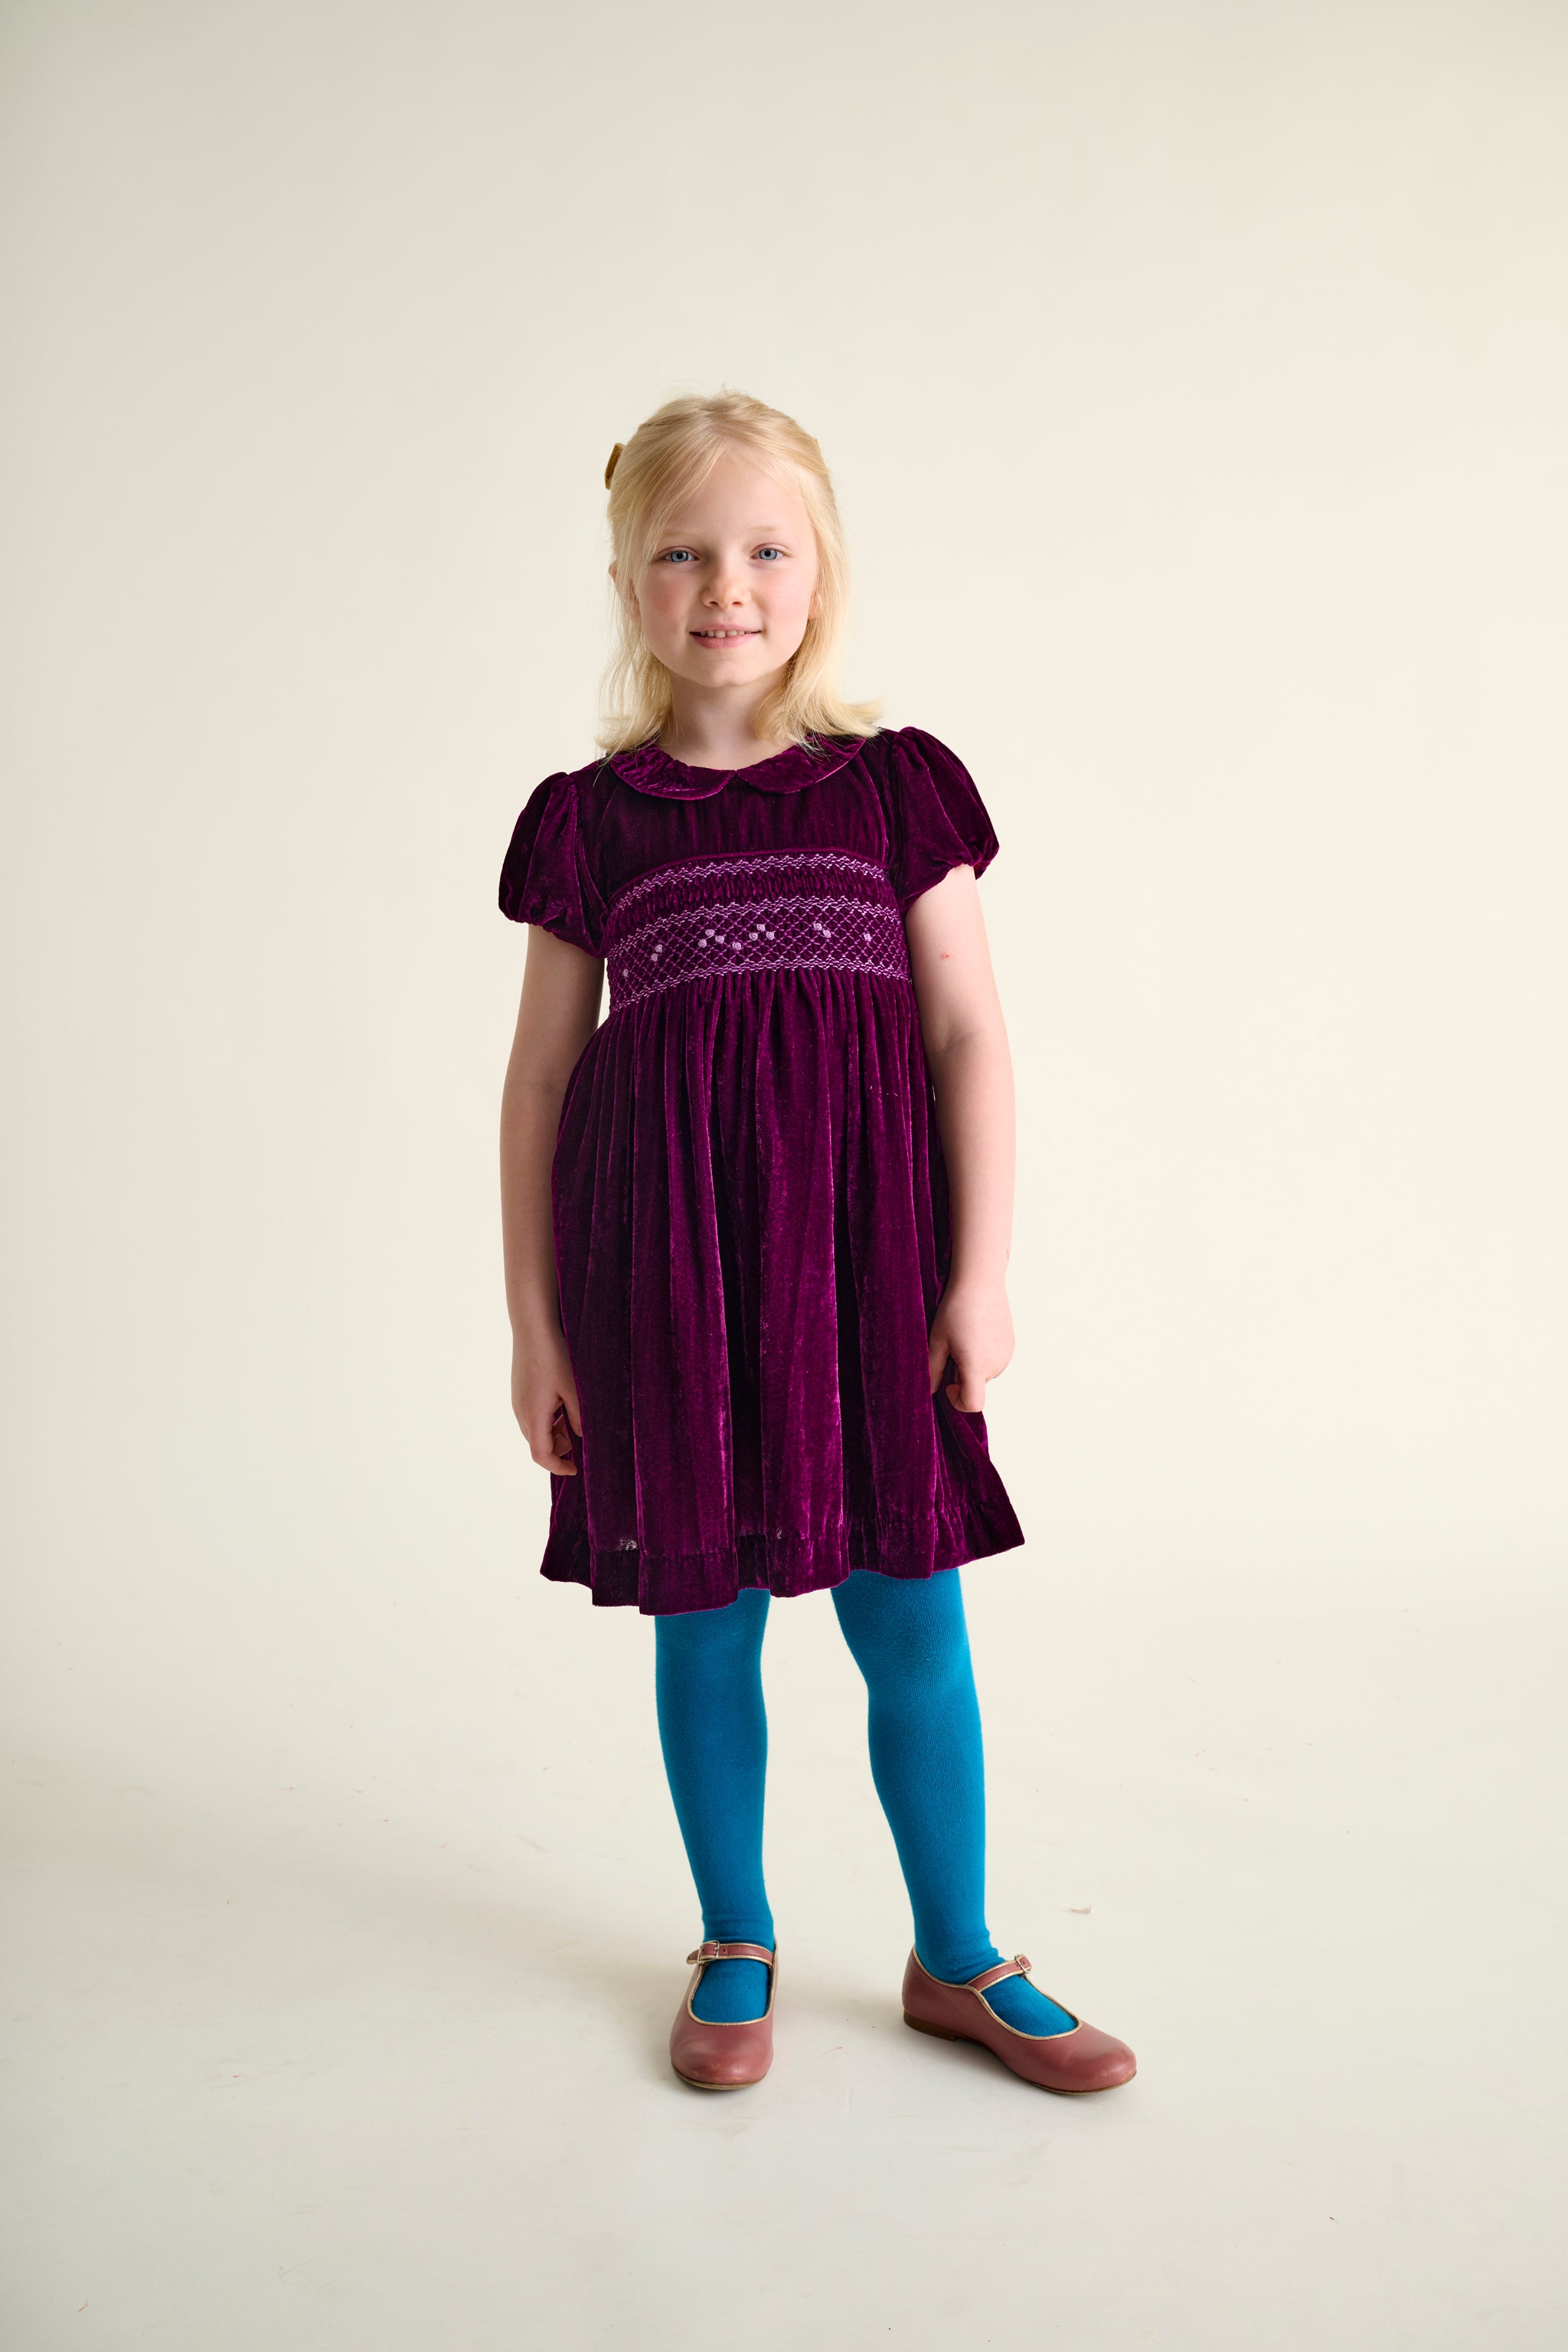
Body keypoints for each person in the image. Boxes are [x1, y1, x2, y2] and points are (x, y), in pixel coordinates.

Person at [497, 390, 1135, 2096]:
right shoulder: (589, 820)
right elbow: (545, 1076)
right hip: (671, 1289)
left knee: (909, 1617)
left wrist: (979, 1273)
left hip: (866, 1277)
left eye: (767, 548)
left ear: (822, 569)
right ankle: (735, 1935)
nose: (728, 585)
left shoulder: (894, 789)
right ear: (627, 578)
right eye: (684, 552)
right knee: (703, 1621)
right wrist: (533, 1327)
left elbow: (968, 1041)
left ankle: (960, 1953)